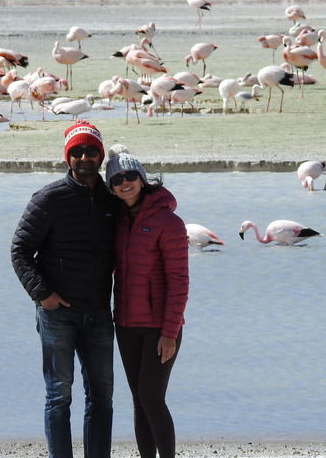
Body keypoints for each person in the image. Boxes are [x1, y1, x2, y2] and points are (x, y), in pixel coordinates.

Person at [11, 119, 116, 458]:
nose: (84, 158)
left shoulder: (111, 198)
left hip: (99, 313)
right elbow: (20, 250)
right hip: (58, 314)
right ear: (67, 157)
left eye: (91, 151)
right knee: (59, 395)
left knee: (101, 397)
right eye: (77, 152)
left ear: (100, 155)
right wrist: (42, 294)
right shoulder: (49, 198)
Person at [105, 146, 189, 458]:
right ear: (111, 187)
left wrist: (169, 333)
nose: (124, 182)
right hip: (126, 324)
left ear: (142, 179)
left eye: (130, 175)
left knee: (153, 400)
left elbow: (179, 281)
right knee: (139, 401)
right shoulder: (116, 222)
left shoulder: (169, 222)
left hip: (160, 327)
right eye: (116, 179)